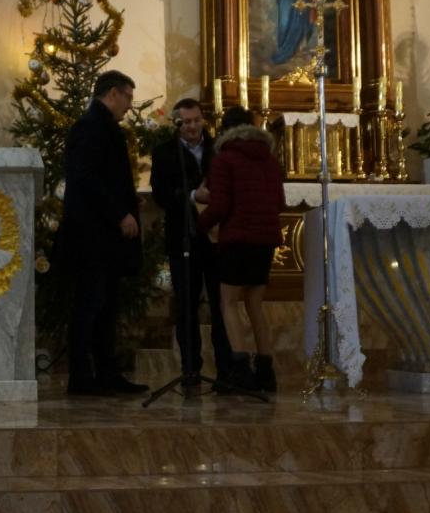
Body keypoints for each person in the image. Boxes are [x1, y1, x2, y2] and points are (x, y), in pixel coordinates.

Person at [59, 70, 148, 396]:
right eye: (128, 98)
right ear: (113, 93)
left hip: (102, 236)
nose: (129, 106)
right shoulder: (90, 127)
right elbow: (86, 179)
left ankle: (107, 373)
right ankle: (82, 377)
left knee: (106, 306)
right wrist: (120, 213)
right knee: (90, 306)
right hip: (92, 236)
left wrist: (126, 203)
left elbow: (104, 178)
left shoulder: (103, 126)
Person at [149, 98, 233, 384]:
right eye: (186, 122)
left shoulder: (219, 148)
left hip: (217, 238)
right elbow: (160, 194)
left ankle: (226, 368)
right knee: (186, 305)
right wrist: (193, 196)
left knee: (222, 305)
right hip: (183, 237)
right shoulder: (164, 151)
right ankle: (190, 368)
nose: (193, 126)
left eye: (196, 120)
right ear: (177, 124)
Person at [197, 123, 286, 392]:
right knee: (255, 304)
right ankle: (266, 371)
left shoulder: (225, 159)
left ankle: (241, 370)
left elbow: (220, 205)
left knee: (228, 303)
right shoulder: (270, 161)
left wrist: (198, 225)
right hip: (265, 240)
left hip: (237, 239)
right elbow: (280, 203)